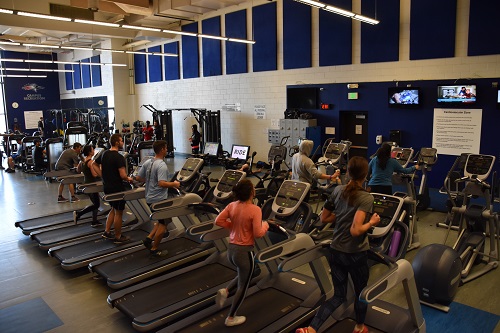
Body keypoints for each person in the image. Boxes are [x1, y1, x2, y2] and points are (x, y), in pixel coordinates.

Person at [295, 156, 381, 333]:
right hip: (355, 254)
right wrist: (372, 222)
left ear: (348, 173)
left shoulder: (337, 190)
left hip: (336, 251)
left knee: (338, 295)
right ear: (366, 175)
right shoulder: (366, 198)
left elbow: (324, 217)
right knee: (360, 293)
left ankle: (311, 329)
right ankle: (359, 327)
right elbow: (356, 230)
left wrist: (343, 215)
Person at [214, 179, 269, 327]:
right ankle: (231, 318)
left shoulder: (232, 205)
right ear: (252, 192)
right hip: (244, 252)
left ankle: (225, 291)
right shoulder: (255, 209)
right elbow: (258, 233)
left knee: (248, 272)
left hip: (231, 250)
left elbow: (218, 221)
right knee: (243, 285)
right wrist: (266, 225)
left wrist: (232, 226)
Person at [134, 140, 180, 256]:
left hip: (150, 198)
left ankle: (149, 239)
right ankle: (154, 249)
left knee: (162, 220)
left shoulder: (148, 162)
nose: (167, 150)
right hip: (159, 199)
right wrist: (175, 184)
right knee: (163, 224)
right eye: (165, 148)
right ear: (162, 150)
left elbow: (139, 178)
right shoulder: (161, 165)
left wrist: (150, 181)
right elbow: (162, 183)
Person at [94, 134, 132, 243]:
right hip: (117, 188)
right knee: (119, 212)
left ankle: (106, 231)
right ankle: (118, 236)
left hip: (107, 187)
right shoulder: (119, 157)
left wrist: (103, 175)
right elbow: (123, 176)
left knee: (113, 209)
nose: (122, 143)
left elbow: (93, 164)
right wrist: (129, 179)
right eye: (121, 141)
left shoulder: (105, 153)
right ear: (116, 143)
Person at [73, 145, 101, 228]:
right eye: (93, 150)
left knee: (95, 203)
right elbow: (95, 174)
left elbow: (78, 170)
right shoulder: (90, 162)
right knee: (96, 205)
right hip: (92, 185)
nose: (94, 151)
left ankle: (94, 221)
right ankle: (79, 214)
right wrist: (100, 169)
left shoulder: (83, 161)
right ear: (90, 152)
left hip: (86, 183)